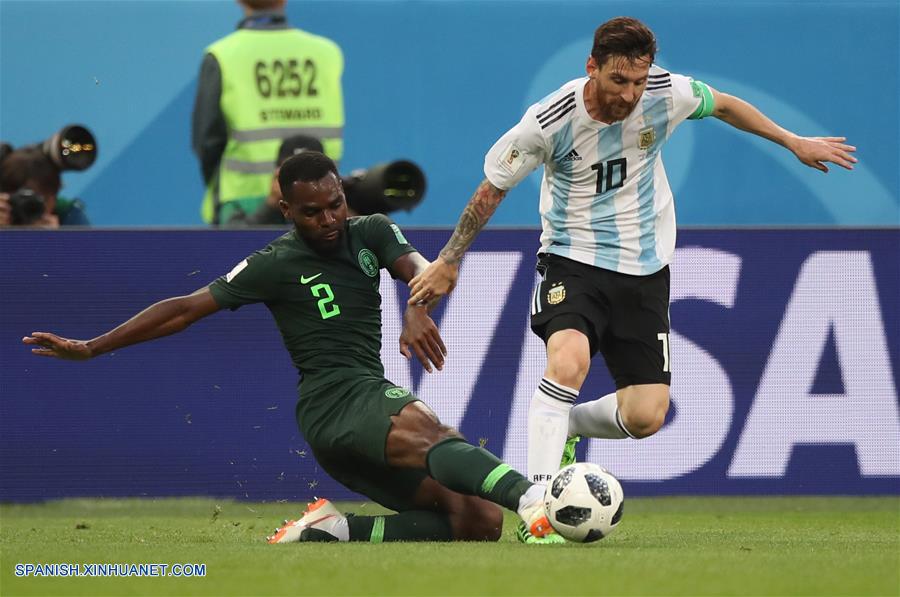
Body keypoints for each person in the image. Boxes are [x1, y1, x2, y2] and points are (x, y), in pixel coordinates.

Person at [407, 16, 857, 543]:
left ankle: (568, 426)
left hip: (644, 269)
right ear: (591, 68)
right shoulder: (549, 120)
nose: (630, 93)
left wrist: (791, 140)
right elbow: (491, 190)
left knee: (646, 416)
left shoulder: (666, 92)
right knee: (568, 360)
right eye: (619, 81)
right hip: (572, 260)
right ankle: (541, 508)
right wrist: (450, 259)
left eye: (639, 81)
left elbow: (727, 105)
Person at [23, 151, 562, 544]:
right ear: (286, 210)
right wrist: (93, 347)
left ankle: (334, 530)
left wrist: (416, 307)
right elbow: (186, 308)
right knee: (432, 432)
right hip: (335, 403)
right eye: (312, 212)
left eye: (335, 204)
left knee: (477, 523)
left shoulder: (371, 230)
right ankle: (533, 497)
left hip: (362, 404)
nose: (328, 219)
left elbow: (422, 272)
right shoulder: (273, 264)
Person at [193, 0, 344, 226]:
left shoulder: (223, 55)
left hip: (245, 205)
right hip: (320, 200)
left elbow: (208, 143)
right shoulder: (326, 53)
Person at [0, 147, 90, 228]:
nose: (29, 209)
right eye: (21, 199)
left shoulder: (68, 215)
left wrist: (54, 241)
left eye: (39, 201)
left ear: (54, 197)